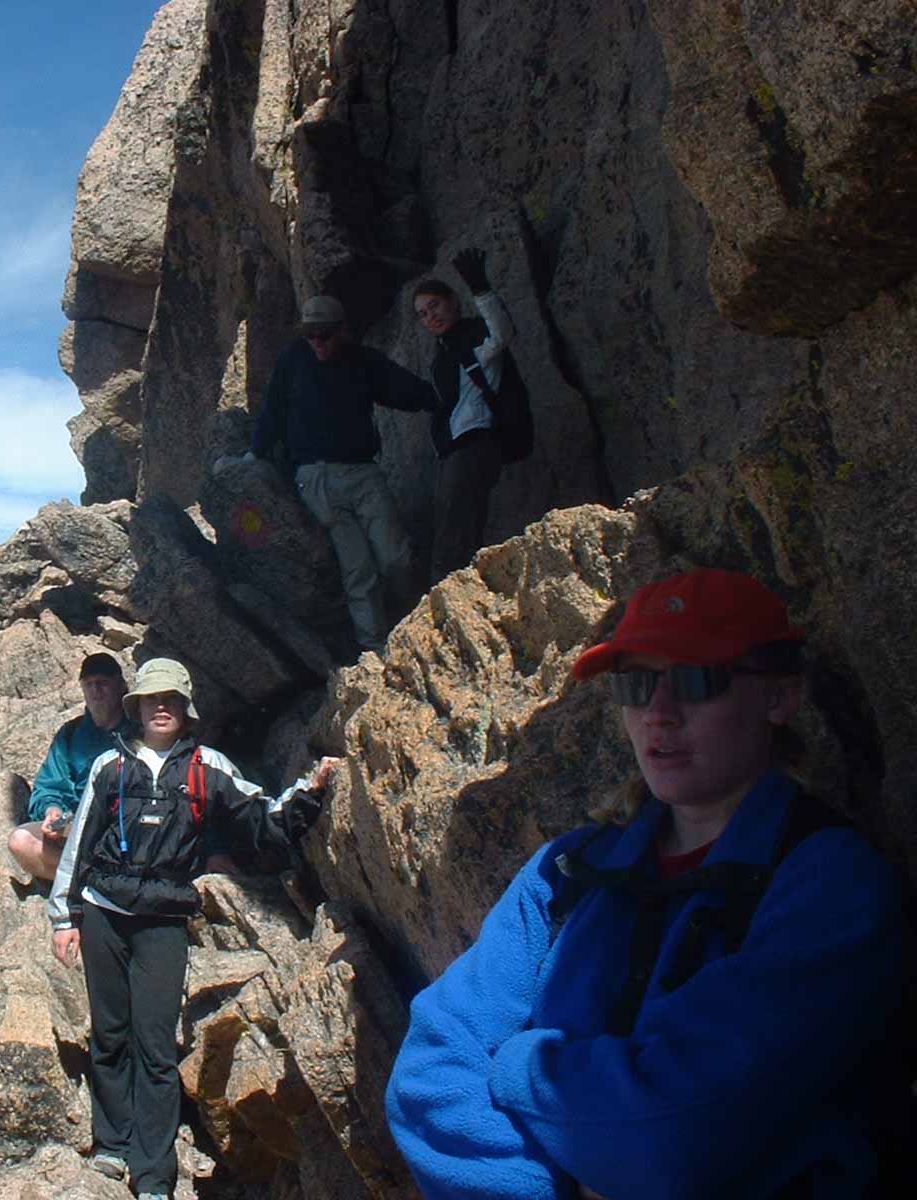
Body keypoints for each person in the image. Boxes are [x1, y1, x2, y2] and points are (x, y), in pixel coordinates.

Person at [384, 568, 906, 1199]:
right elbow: (430, 1074)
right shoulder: (564, 873)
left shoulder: (831, 889)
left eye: (696, 680)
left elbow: (672, 1134)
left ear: (779, 697)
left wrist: (516, 1064)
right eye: (636, 685)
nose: (659, 715)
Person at [48, 657, 340, 1199]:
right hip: (103, 913)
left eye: (171, 700)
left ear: (184, 709)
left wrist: (311, 788)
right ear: (135, 708)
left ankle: (154, 1175)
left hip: (163, 919)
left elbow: (263, 820)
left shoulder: (208, 767)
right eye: (150, 699)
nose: (160, 707)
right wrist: (65, 917)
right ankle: (112, 1145)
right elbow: (81, 845)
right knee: (110, 1035)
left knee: (155, 1044)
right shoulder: (108, 766)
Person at [251, 293, 435, 652]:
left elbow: (407, 391)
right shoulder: (292, 360)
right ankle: (375, 649)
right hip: (316, 480)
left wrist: (449, 396)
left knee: (396, 556)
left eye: (325, 334)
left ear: (342, 331)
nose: (317, 342)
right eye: (310, 335)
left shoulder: (362, 362)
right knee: (357, 571)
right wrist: (253, 455)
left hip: (363, 473)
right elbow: (271, 409)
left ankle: (421, 623)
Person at [412, 247, 527, 582]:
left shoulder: (473, 336)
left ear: (453, 302)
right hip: (459, 449)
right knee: (465, 526)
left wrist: (481, 288)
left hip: (474, 444)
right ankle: (466, 588)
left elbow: (501, 333)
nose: (430, 316)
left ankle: (443, 598)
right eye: (422, 313)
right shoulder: (443, 355)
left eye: (435, 305)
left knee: (451, 532)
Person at [8, 652, 132, 881]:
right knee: (21, 840)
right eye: (89, 684)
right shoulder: (70, 734)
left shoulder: (139, 729)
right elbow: (49, 786)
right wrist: (51, 809)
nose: (96, 690)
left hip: (128, 825)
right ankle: (95, 882)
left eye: (103, 683)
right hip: (78, 824)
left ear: (120, 685)